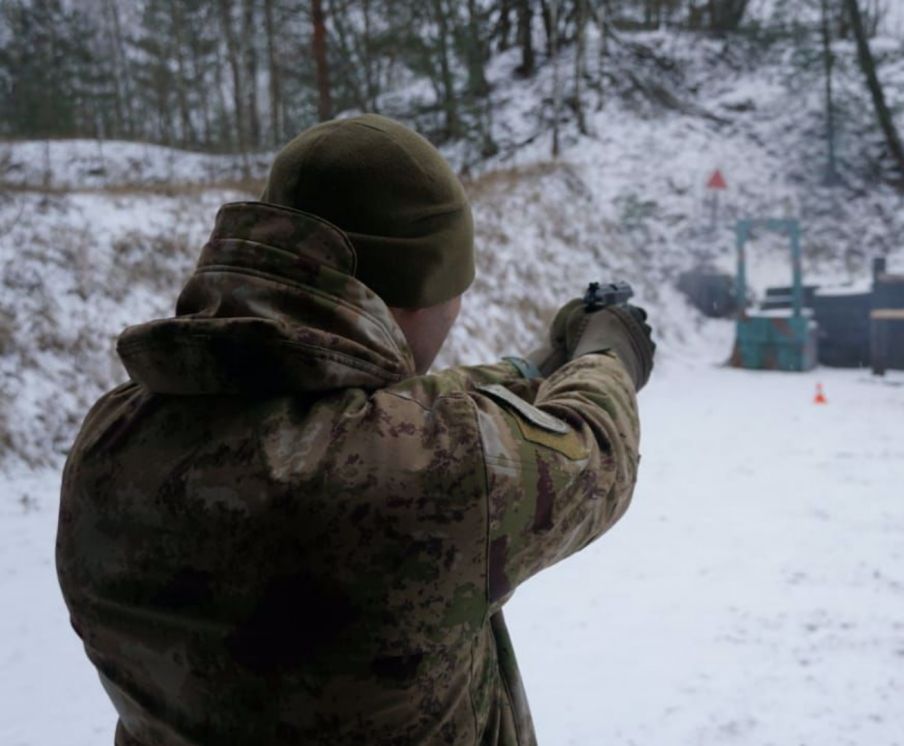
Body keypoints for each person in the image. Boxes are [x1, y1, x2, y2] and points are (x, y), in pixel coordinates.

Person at [55, 114, 655, 746]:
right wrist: (608, 353)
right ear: (414, 298)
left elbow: (373, 412)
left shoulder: (112, 434)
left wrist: (532, 367)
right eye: (456, 290)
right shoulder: (426, 471)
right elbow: (593, 453)